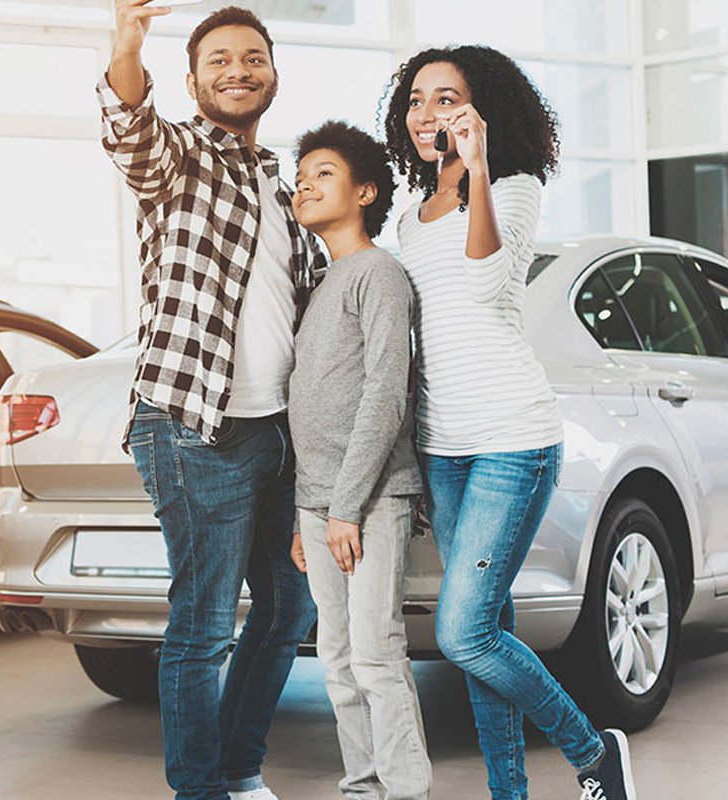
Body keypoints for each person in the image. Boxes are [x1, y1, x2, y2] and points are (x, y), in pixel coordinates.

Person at [383, 45, 638, 800]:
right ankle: (510, 793)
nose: (430, 113)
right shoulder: (409, 215)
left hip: (511, 439)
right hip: (445, 445)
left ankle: (594, 753)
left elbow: (492, 279)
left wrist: (480, 169)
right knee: (484, 631)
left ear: (480, 111)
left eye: (448, 99)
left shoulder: (516, 188)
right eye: (418, 100)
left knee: (464, 633)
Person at [97, 3, 325, 799]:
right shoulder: (182, 157)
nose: (238, 70)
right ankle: (199, 788)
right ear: (192, 81)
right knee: (203, 624)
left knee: (289, 611)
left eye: (253, 57)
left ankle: (236, 768)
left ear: (273, 72)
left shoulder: (280, 184)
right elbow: (131, 128)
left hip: (277, 435)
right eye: (220, 60)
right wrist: (128, 47)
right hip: (195, 426)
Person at [286, 120, 432, 800]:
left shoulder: (379, 272)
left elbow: (385, 391)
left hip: (370, 500)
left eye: (323, 173)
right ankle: (362, 786)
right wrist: (305, 511)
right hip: (321, 504)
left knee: (376, 655)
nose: (305, 184)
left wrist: (344, 506)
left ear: (366, 190)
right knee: (337, 660)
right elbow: (309, 403)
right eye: (302, 174)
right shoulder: (322, 280)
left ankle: (405, 789)